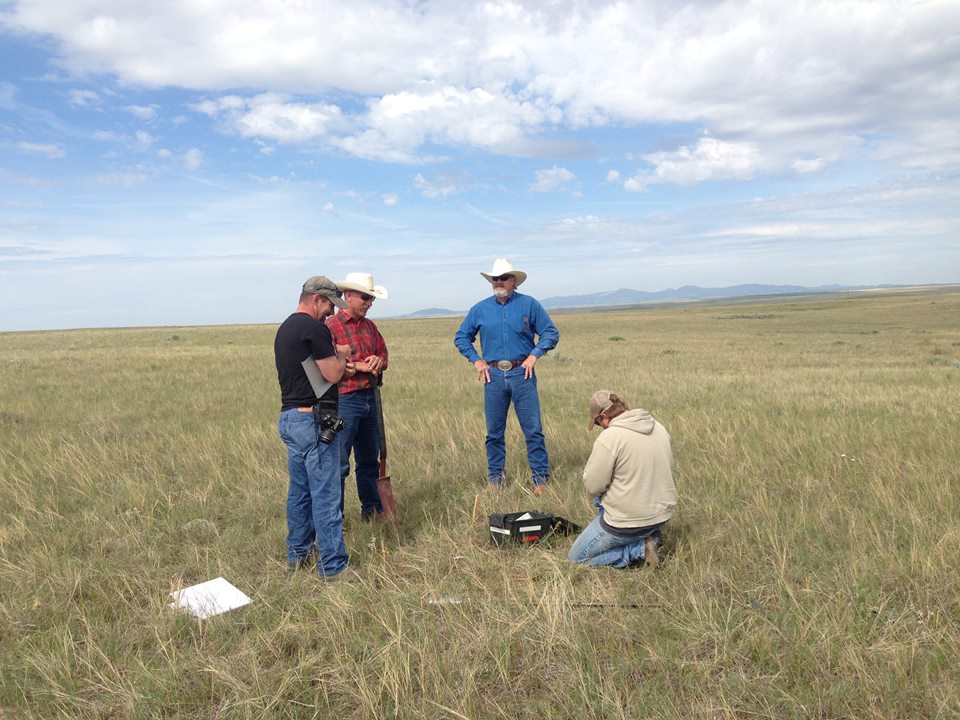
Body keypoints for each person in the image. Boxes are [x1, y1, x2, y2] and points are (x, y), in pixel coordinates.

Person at [454, 258, 559, 494]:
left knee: (533, 429)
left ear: (513, 281)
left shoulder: (529, 305)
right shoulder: (480, 309)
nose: (498, 282)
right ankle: (495, 480)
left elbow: (550, 333)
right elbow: (461, 337)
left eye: (503, 278)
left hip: (522, 373)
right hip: (492, 376)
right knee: (494, 433)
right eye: (495, 279)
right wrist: (476, 360)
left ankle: (540, 479)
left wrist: (534, 355)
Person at [274, 275, 355, 579]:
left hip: (291, 418)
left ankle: (297, 555)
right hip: (314, 421)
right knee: (326, 495)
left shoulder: (285, 328)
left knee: (299, 492)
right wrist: (342, 355)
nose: (331, 313)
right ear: (317, 299)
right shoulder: (314, 328)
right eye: (329, 306)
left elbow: (311, 376)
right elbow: (332, 374)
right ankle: (333, 567)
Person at [568, 390, 678, 568]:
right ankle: (652, 536)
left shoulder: (610, 437)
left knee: (576, 558)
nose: (600, 428)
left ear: (604, 417)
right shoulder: (659, 427)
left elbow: (593, 486)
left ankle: (640, 549)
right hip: (661, 514)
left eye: (597, 423)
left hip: (628, 521)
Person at [325, 272, 390, 521]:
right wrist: (358, 365)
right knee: (339, 463)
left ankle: (372, 510)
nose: (369, 303)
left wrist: (378, 361)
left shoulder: (370, 327)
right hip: (344, 400)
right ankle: (334, 518)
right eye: (365, 297)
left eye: (371, 299)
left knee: (368, 460)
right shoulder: (331, 326)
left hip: (370, 397)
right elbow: (327, 362)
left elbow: (383, 355)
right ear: (348, 296)